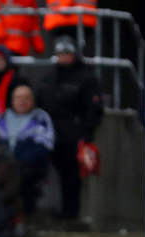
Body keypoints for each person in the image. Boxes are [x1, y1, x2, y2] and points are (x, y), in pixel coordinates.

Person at [36, 36, 102, 220]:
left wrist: (86, 134)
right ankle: (55, 211)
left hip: (74, 135)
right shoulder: (49, 77)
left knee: (72, 175)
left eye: (67, 53)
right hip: (51, 134)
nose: (63, 57)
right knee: (52, 173)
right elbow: (41, 101)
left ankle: (72, 213)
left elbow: (94, 109)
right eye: (60, 54)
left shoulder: (86, 78)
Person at [0, 83, 54, 214]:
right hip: (4, 164)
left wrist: (16, 161)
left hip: (28, 166)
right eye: (18, 97)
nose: (22, 101)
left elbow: (44, 146)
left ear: (32, 100)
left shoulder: (40, 117)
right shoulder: (2, 117)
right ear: (12, 100)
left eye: (26, 97)